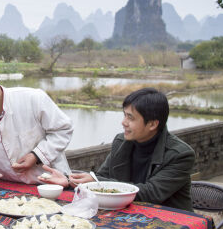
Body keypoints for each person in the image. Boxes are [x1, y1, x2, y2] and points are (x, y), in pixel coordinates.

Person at [39, 87, 195, 211]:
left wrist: (97, 181)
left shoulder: (180, 155)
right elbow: (101, 177)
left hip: (170, 220)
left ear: (153, 124)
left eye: (130, 118)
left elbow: (151, 193)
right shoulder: (121, 142)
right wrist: (68, 181)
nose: (123, 122)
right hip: (128, 214)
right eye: (124, 115)